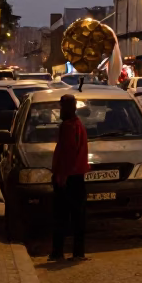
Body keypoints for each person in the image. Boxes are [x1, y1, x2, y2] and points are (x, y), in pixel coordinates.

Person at [50, 94, 90, 262]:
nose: (60, 111)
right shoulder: (77, 124)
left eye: (61, 107)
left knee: (61, 216)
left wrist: (62, 176)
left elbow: (68, 153)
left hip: (68, 177)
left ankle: (58, 252)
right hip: (77, 176)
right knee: (77, 216)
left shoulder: (68, 127)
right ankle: (78, 252)